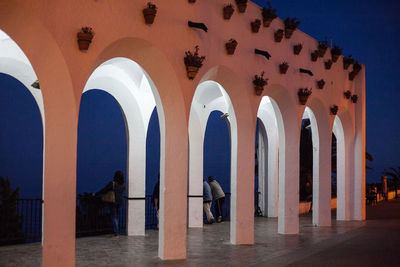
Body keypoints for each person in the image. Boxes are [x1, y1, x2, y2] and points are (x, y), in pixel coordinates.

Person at [97, 170, 125, 238]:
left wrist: (96, 193)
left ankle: (116, 234)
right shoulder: (123, 184)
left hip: (113, 202)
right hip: (120, 202)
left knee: (114, 217)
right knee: (117, 217)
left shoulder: (113, 183)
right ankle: (117, 232)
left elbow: (104, 190)